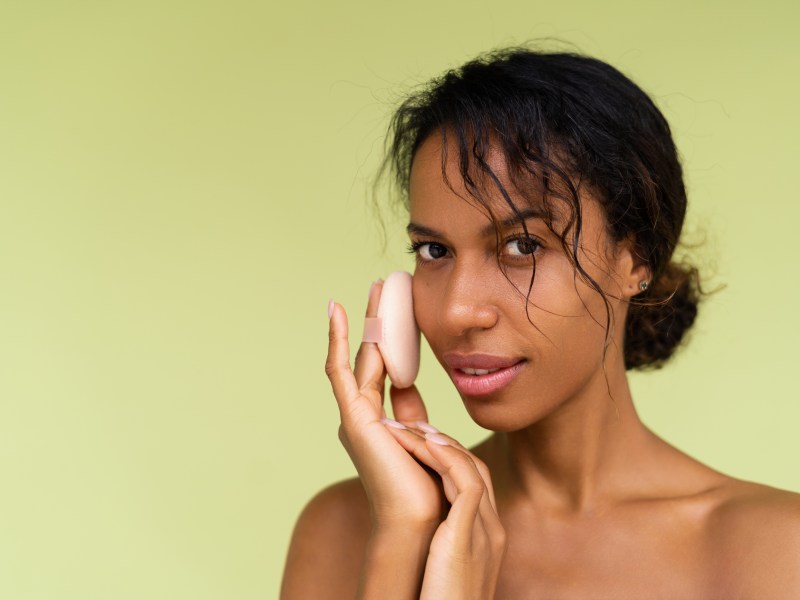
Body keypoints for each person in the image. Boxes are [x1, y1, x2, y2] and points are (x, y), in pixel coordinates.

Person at [280, 48, 800, 599]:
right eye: (433, 249)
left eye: (522, 245)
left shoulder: (774, 552)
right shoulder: (344, 531)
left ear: (635, 259)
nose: (457, 311)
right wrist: (402, 544)